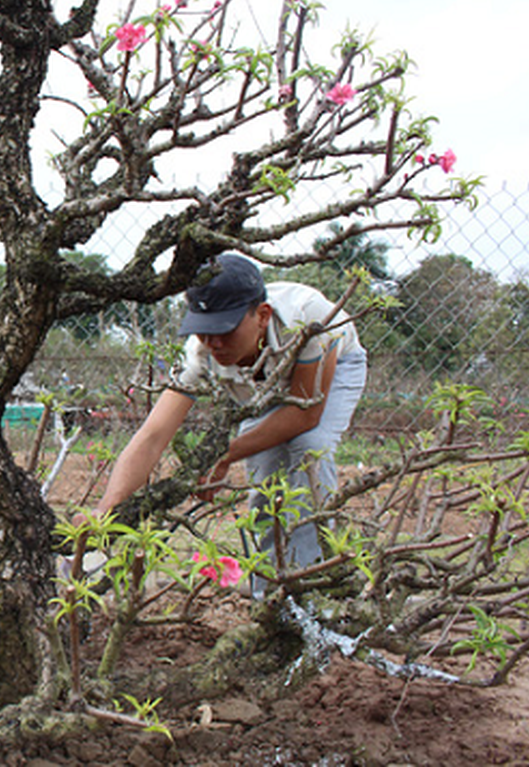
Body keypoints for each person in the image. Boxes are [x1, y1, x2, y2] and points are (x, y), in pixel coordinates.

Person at [89, 252, 367, 592]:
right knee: (266, 474)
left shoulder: (308, 318)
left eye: (226, 329)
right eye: (205, 331)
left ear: (262, 315)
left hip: (331, 370)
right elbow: (153, 435)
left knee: (309, 448)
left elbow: (305, 413)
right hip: (259, 385)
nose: (215, 343)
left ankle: (320, 586)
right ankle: (272, 595)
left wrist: (223, 454)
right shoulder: (200, 353)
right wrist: (105, 510)